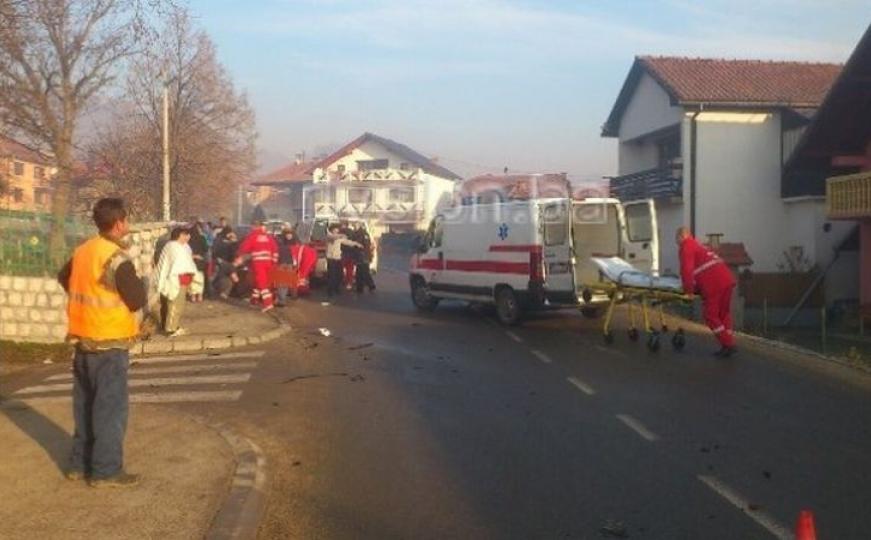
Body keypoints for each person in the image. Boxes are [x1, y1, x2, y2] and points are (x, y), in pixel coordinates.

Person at [57, 197, 146, 487]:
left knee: (84, 407)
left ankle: (78, 466)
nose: (128, 225)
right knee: (109, 409)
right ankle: (106, 470)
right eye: (127, 220)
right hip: (110, 343)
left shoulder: (83, 251)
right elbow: (136, 300)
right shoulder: (117, 259)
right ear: (119, 223)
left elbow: (63, 277)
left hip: (83, 340)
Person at [677, 226, 737, 357]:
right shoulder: (699, 245)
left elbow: (687, 270)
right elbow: (701, 269)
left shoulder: (686, 246)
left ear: (681, 237)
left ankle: (728, 344)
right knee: (723, 314)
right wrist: (697, 288)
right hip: (726, 279)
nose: (677, 243)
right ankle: (729, 341)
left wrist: (689, 291)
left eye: (677, 240)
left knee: (710, 315)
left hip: (713, 284)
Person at [155, 227, 197, 336]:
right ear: (180, 235)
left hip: (176, 279)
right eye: (186, 235)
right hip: (176, 280)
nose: (188, 237)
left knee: (170, 304)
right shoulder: (175, 247)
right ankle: (170, 329)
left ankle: (169, 325)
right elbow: (179, 264)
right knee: (175, 305)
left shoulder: (175, 246)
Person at [235, 221, 279, 312]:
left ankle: (268, 303)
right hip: (268, 263)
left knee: (261, 282)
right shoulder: (268, 237)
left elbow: (244, 248)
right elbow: (275, 249)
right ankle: (253, 300)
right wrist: (274, 262)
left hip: (258, 263)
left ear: (254, 227)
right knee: (259, 282)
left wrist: (239, 255)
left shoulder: (252, 236)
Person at [326, 224, 361, 297]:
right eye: (335, 229)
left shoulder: (339, 238)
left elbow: (347, 242)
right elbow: (333, 237)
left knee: (339, 275)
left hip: (338, 258)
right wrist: (341, 235)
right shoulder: (329, 236)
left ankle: (336, 289)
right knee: (332, 275)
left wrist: (356, 244)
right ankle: (330, 291)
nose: (337, 231)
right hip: (331, 259)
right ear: (332, 230)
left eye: (337, 230)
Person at [274, 227, 299, 306]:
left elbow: (298, 254)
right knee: (281, 282)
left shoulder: (295, 243)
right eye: (287, 234)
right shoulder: (280, 242)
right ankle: (281, 299)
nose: (289, 236)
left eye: (290, 234)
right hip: (281, 263)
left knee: (285, 282)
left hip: (290, 264)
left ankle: (282, 299)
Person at [188, 220, 209, 302]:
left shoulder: (189, 239)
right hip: (200, 261)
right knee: (200, 278)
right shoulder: (202, 238)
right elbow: (206, 248)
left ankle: (193, 296)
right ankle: (199, 296)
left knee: (192, 278)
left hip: (191, 260)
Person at [353, 227, 376, 293]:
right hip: (366, 256)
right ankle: (370, 285)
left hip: (360, 256)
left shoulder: (358, 235)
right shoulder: (366, 235)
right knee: (365, 272)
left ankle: (361, 287)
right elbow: (369, 246)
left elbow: (358, 246)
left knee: (360, 273)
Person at [340, 222, 356, 290]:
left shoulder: (341, 232)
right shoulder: (352, 232)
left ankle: (340, 281)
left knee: (339, 268)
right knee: (349, 269)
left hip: (343, 253)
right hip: (351, 253)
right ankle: (349, 283)